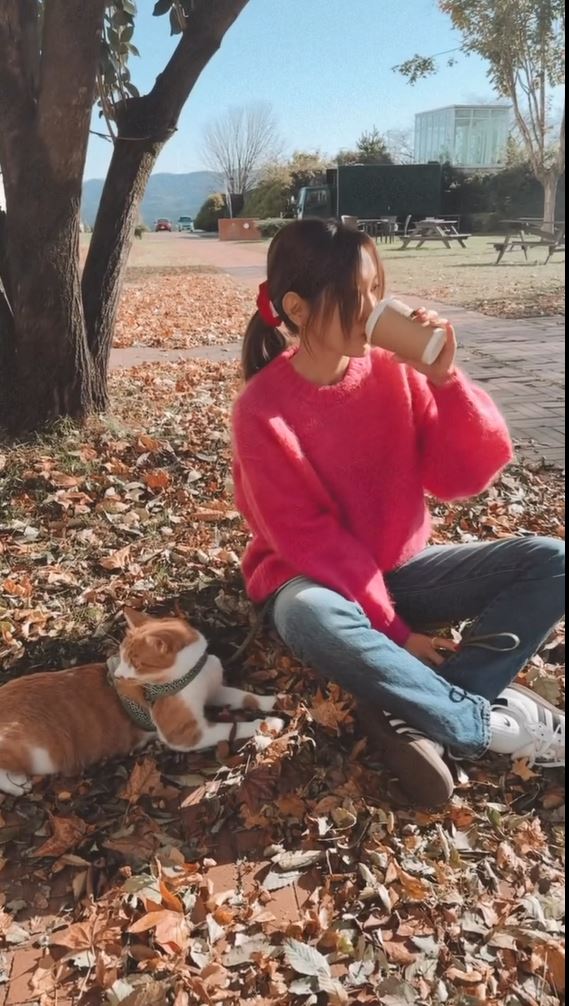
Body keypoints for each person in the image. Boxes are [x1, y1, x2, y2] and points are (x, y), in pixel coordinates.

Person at [231, 219, 565, 807]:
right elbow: (309, 540)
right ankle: (478, 724)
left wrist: (445, 379)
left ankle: (423, 710)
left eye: (376, 290)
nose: (373, 309)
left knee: (553, 561)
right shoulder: (262, 411)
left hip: (403, 570)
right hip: (315, 581)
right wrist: (396, 633)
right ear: (297, 308)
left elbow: (461, 477)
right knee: (308, 616)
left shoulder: (393, 370)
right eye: (355, 295)